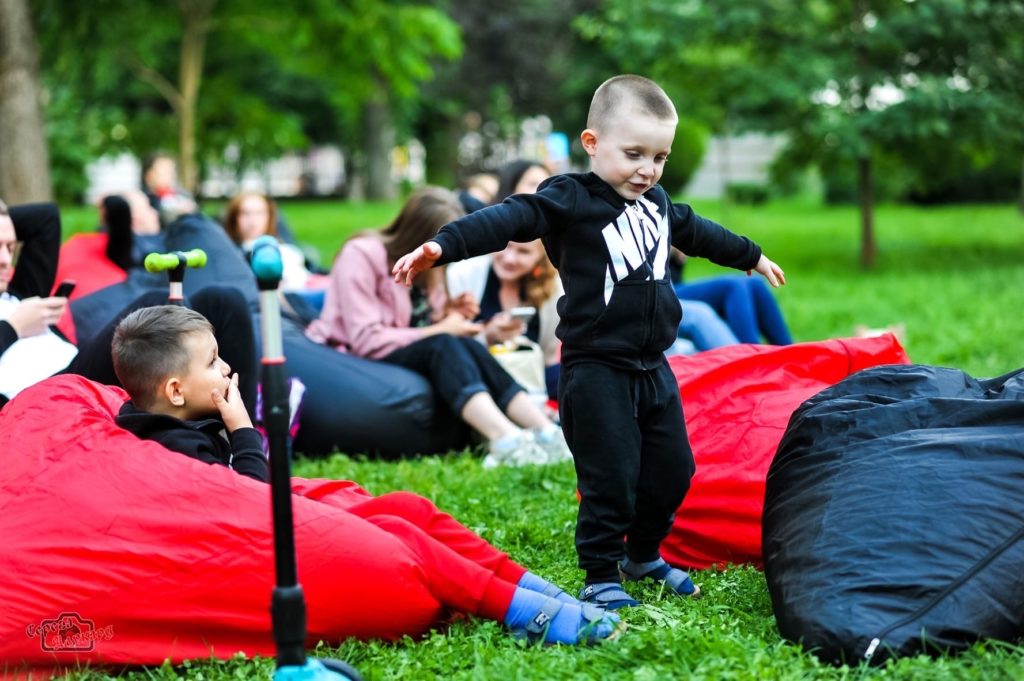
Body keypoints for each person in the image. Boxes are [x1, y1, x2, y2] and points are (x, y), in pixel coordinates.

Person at [393, 74, 787, 609]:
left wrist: (752, 255)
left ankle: (643, 554)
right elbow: (512, 216)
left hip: (653, 366)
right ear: (592, 143)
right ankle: (601, 571)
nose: (647, 170)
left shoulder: (658, 202)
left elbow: (699, 230)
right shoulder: (569, 198)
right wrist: (443, 244)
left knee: (674, 470)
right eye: (634, 154)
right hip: (595, 368)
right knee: (611, 474)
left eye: (660, 157)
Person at [111, 304, 621, 645]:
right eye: (213, 362)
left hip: (263, 530)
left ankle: (534, 587)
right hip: (250, 559)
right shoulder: (170, 445)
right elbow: (249, 498)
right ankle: (526, 613)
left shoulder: (174, 421)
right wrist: (241, 425)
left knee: (408, 507)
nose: (226, 370)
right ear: (175, 391)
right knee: (397, 534)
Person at [307, 186, 569, 467]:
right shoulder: (361, 254)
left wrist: (453, 315)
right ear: (417, 235)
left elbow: (426, 324)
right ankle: (504, 437)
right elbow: (365, 339)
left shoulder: (431, 267)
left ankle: (544, 431)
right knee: (444, 344)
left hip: (407, 351)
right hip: (353, 358)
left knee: (461, 344)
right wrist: (443, 328)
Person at [446, 161, 564, 399]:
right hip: (477, 380)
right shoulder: (464, 274)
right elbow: (448, 345)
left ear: (539, 257)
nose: (510, 258)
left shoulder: (552, 286)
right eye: (506, 247)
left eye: (523, 253)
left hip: (531, 382)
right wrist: (488, 334)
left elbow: (549, 356)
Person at [0, 201, 75, 407]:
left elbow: (45, 217)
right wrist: (13, 327)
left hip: (78, 372)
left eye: (9, 247)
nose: (6, 260)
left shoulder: (20, 292)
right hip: (39, 400)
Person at [671, 250, 793, 347]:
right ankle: (753, 358)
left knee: (755, 282)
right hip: (661, 294)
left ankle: (792, 356)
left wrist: (751, 255)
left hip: (675, 284)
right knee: (734, 287)